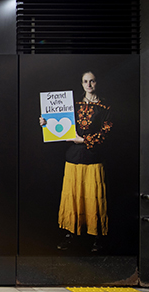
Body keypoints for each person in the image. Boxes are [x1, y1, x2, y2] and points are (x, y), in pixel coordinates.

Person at [40, 71, 111, 252]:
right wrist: (46, 123)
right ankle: (69, 234)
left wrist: (84, 140)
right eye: (85, 81)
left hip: (93, 158)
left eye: (92, 81)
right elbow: (61, 124)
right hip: (73, 157)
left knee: (94, 197)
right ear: (81, 83)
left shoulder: (105, 107)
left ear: (97, 82)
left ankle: (97, 237)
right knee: (72, 197)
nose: (89, 85)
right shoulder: (73, 104)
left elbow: (106, 133)